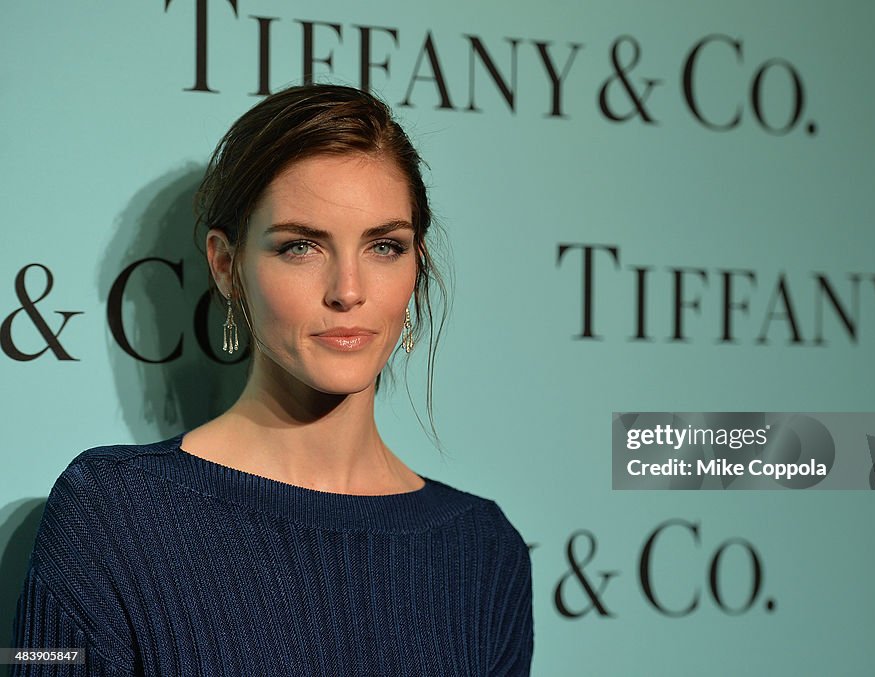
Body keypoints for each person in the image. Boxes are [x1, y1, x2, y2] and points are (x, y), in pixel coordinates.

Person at [8, 84, 533, 676]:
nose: (349, 291)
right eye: (301, 247)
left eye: (385, 246)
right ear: (227, 266)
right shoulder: (111, 514)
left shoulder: (483, 551)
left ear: (416, 265)